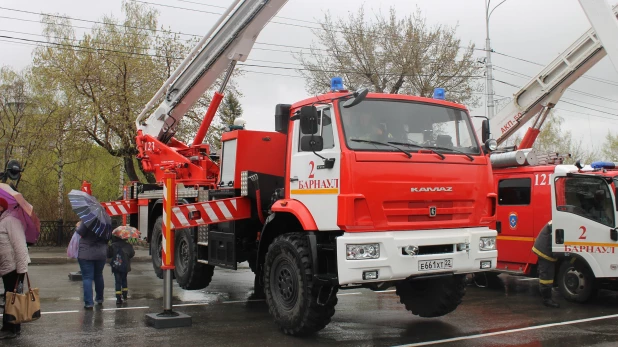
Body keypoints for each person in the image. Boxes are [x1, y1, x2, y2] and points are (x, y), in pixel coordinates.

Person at [0, 197, 29, 339]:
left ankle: (11, 328)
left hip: (14, 267)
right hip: (7, 266)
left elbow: (20, 246)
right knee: (10, 296)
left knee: (12, 297)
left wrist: (21, 269)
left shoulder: (11, 221)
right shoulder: (3, 222)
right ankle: (10, 327)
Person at [76, 222, 107, 309]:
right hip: (101, 253)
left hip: (86, 253)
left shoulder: (88, 220)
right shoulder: (105, 223)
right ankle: (100, 298)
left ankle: (89, 303)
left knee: (87, 277)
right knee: (99, 275)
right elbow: (108, 238)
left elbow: (80, 232)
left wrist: (78, 226)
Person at [532, 221, 560, 308]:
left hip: (544, 247)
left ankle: (546, 296)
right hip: (545, 250)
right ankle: (547, 300)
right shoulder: (558, 221)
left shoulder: (559, 218)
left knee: (547, 273)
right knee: (546, 276)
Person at [107, 235, 135, 305]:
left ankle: (118, 298)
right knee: (124, 279)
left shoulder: (113, 245)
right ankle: (125, 295)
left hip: (116, 266)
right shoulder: (128, 245)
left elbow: (109, 255)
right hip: (125, 266)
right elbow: (132, 254)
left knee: (117, 281)